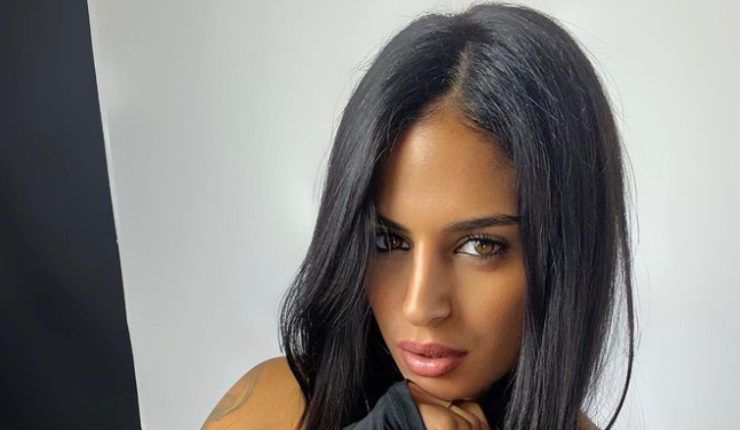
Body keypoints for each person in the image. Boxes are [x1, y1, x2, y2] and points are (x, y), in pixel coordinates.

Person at [202, 2, 635, 429]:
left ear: (567, 256)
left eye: (480, 246)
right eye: (388, 241)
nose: (421, 307)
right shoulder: (272, 408)